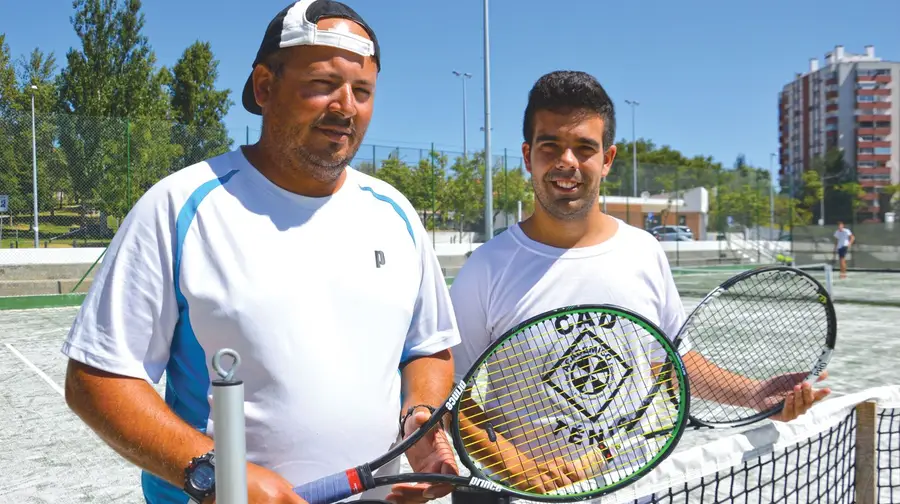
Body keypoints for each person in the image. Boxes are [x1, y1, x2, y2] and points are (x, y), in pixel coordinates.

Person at [61, 2, 460, 503]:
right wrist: (214, 472)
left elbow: (427, 347)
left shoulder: (395, 213)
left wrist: (418, 416)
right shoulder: (181, 205)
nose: (345, 107)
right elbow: (97, 378)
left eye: (362, 91)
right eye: (322, 83)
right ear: (264, 86)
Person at [448, 70, 832, 494]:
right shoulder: (485, 268)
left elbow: (669, 361)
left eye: (584, 148)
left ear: (608, 160)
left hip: (634, 488)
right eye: (550, 146)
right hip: (517, 496)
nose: (567, 162)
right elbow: (452, 397)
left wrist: (756, 395)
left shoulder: (644, 251)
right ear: (527, 155)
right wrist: (517, 466)